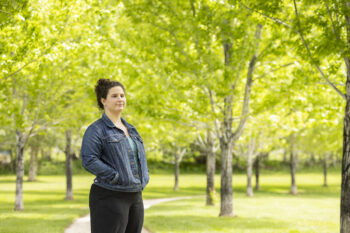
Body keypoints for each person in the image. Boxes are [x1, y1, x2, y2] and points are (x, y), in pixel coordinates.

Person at [81, 78, 149, 233]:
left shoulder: (131, 129)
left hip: (135, 195)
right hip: (110, 195)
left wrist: (144, 176)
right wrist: (115, 176)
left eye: (122, 95)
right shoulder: (96, 130)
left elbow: (140, 157)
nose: (120, 99)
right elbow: (89, 159)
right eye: (114, 96)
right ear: (103, 100)